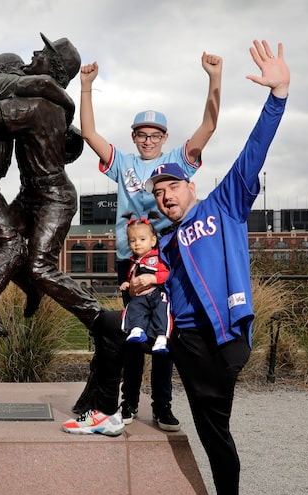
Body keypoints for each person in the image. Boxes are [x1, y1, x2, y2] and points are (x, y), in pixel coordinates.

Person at [63, 40, 290, 495]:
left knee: (215, 434)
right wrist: (147, 283)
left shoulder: (224, 205)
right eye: (159, 192)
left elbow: (253, 147)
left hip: (221, 336)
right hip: (182, 336)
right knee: (111, 327)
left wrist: (277, 94)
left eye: (173, 187)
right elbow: (162, 282)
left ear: (191, 185)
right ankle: (107, 410)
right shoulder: (163, 239)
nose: (166, 195)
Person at [73, 52, 223, 429]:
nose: (148, 141)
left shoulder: (177, 160)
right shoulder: (124, 163)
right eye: (142, 134)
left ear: (165, 138)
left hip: (170, 259)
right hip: (133, 260)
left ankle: (161, 405)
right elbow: (89, 133)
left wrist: (214, 78)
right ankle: (128, 405)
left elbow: (209, 125)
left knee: (164, 332)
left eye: (155, 135)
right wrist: (86, 87)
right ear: (134, 136)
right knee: (133, 331)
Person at [0, 33, 103, 331]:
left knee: (37, 264)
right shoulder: (38, 100)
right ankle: (7, 286)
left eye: (42, 51)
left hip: (54, 197)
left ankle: (98, 314)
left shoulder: (36, 104)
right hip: (32, 194)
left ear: (53, 65)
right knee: (1, 241)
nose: (34, 52)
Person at [119, 215, 171, 354]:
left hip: (157, 292)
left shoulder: (157, 257)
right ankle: (137, 329)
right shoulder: (134, 261)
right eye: (132, 240)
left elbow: (167, 274)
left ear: (153, 240)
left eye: (142, 239)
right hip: (141, 296)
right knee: (135, 307)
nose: (137, 243)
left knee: (162, 310)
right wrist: (127, 284)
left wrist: (153, 278)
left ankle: (161, 338)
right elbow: (133, 279)